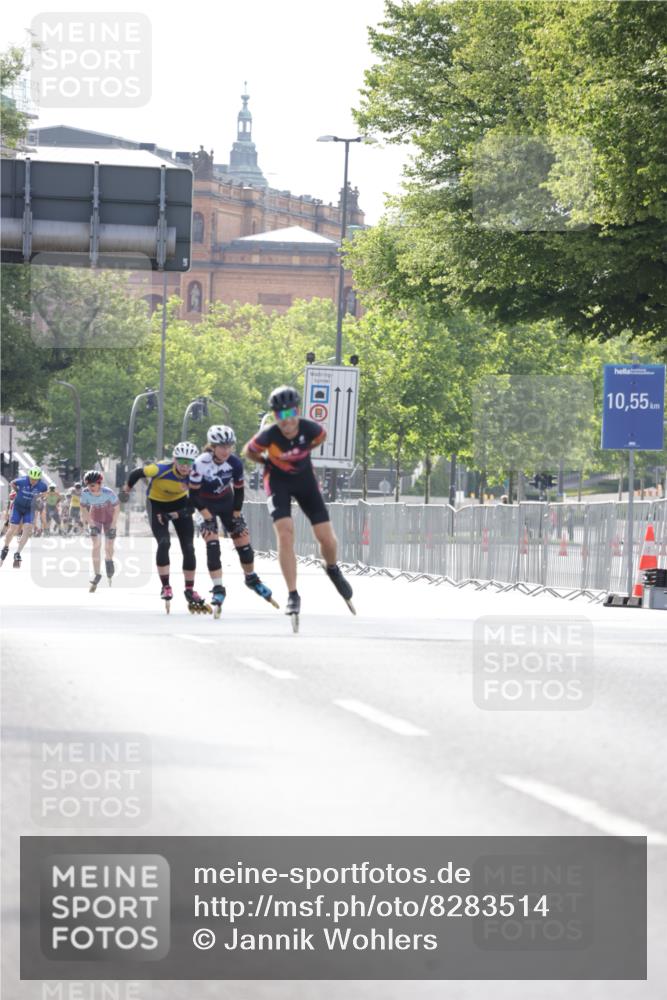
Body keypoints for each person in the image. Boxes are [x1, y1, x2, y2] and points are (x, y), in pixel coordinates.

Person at [243, 385, 354, 616]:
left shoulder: (311, 429)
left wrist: (300, 455)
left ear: (298, 411)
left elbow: (320, 439)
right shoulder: (268, 435)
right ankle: (293, 594)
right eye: (280, 415)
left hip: (305, 482)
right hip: (277, 483)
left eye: (290, 413)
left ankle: (332, 568)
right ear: (275, 416)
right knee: (285, 533)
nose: (287, 421)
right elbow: (249, 451)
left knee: (327, 540)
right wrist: (266, 462)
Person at [189, 425, 275, 612]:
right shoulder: (200, 463)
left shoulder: (235, 463)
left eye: (229, 446)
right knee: (212, 543)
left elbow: (239, 490)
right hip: (204, 503)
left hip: (227, 501)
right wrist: (205, 515)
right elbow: (193, 494)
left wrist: (236, 514)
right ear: (213, 446)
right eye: (222, 447)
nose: (226, 450)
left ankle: (251, 578)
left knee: (242, 539)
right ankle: (218, 587)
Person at [122, 441, 210, 613]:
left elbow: (192, 507)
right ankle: (166, 586)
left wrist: (172, 515)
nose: (185, 467)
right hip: (157, 504)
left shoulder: (196, 475)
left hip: (180, 505)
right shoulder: (160, 469)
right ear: (175, 460)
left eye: (190, 463)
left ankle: (190, 590)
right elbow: (136, 473)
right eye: (182, 462)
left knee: (189, 548)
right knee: (164, 543)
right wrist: (127, 489)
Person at [79, 470, 120, 589]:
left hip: (109, 518)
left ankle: (109, 560)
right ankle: (97, 574)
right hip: (95, 517)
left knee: (108, 546)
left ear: (99, 483)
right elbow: (83, 509)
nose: (90, 487)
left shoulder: (109, 493)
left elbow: (117, 509)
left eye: (92, 485)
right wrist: (90, 524)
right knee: (96, 545)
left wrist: (113, 525)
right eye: (87, 485)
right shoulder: (85, 493)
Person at [0, 466, 48, 568]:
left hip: (29, 509)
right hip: (17, 507)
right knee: (13, 528)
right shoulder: (22, 480)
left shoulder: (42, 485)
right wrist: (17, 491)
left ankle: (17, 553)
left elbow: (45, 493)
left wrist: (40, 497)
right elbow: (12, 483)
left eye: (35, 480)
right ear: (29, 476)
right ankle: (5, 547)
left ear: (39, 479)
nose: (33, 481)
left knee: (27, 529)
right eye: (31, 479)